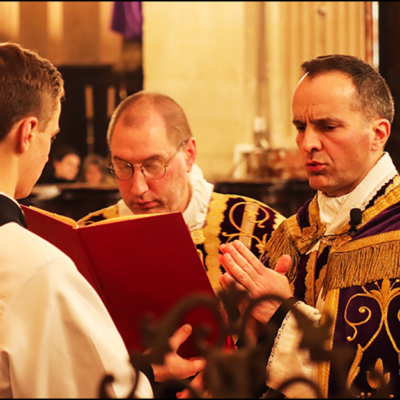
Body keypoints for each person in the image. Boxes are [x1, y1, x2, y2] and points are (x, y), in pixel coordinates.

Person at [0, 42, 204, 398]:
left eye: (152, 165)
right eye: (52, 135)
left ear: (188, 154)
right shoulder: (35, 268)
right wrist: (147, 380)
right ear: (28, 133)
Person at [218, 54, 400, 398]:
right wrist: (250, 325)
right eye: (301, 127)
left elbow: (380, 372)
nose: (307, 143)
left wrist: (282, 315)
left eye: (327, 127)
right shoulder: (292, 233)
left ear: (378, 134)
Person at [78, 91, 285, 292]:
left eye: (153, 165)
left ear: (189, 154)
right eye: (123, 167)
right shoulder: (86, 238)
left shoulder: (261, 230)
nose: (138, 188)